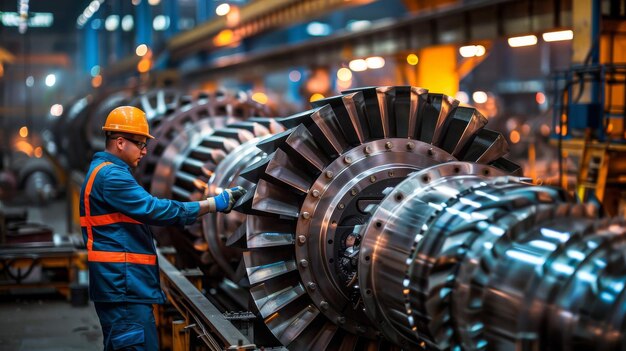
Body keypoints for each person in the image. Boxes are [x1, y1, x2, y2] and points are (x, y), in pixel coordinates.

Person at [80, 106, 246, 350]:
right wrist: (212, 204)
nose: (145, 151)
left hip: (121, 284)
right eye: (140, 144)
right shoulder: (111, 177)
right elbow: (155, 209)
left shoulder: (106, 172)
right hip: (123, 285)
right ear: (120, 142)